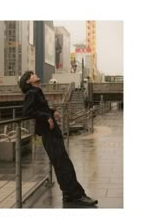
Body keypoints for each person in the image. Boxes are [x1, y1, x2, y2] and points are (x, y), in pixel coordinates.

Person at [19, 71, 98, 207]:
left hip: (52, 131)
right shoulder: (31, 93)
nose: (35, 74)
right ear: (28, 81)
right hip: (48, 133)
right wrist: (46, 117)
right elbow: (27, 111)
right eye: (31, 74)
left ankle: (69, 194)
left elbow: (41, 108)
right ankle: (76, 195)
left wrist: (52, 112)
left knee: (62, 163)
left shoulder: (37, 91)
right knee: (63, 164)